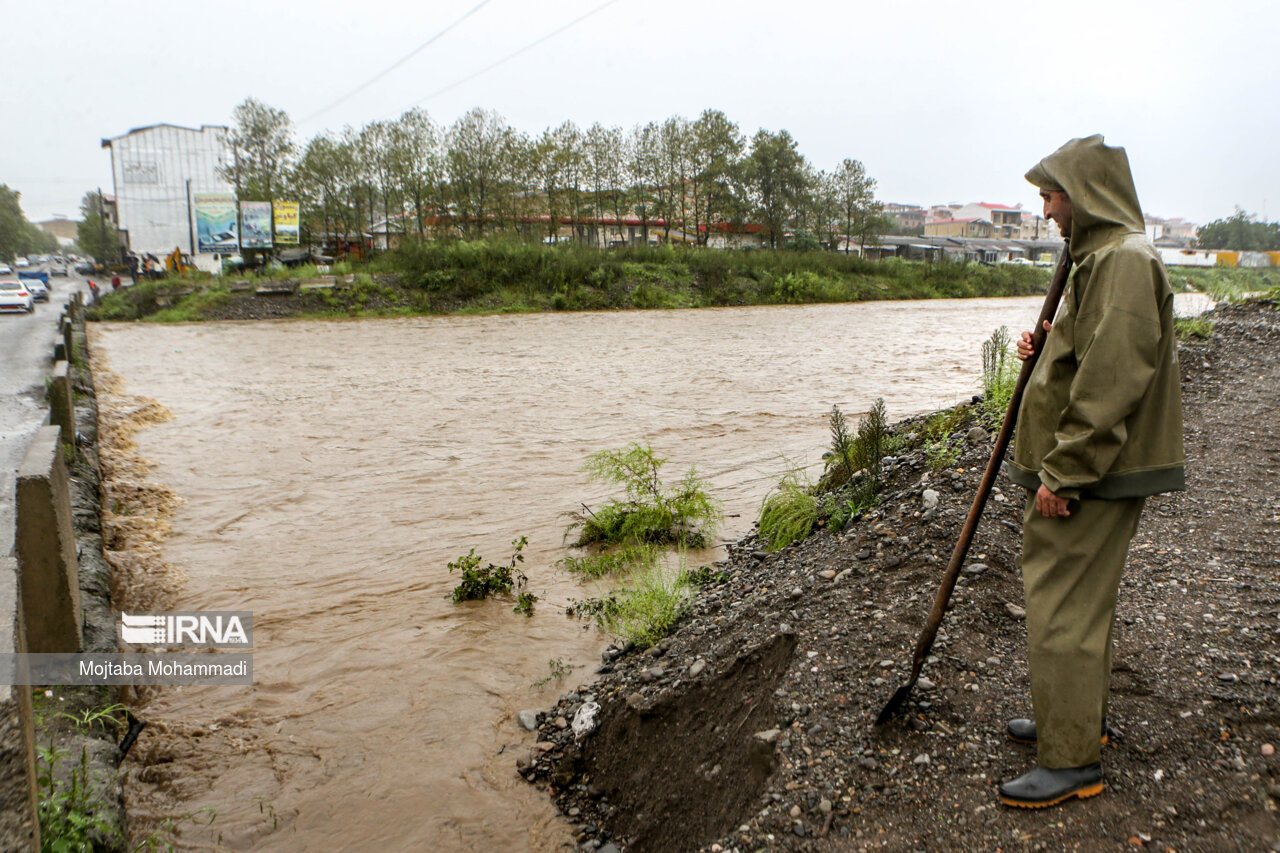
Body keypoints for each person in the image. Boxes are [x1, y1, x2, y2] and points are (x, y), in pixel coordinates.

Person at [998, 135, 1184, 808]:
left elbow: (1113, 381)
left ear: (1086, 193)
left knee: (1062, 604)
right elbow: (1093, 352)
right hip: (1094, 468)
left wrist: (1065, 472)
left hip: (1093, 473)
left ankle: (1071, 760)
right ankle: (1075, 719)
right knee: (1080, 603)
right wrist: (1051, 346)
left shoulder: (1123, 262)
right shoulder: (1102, 258)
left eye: (1052, 195)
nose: (1046, 209)